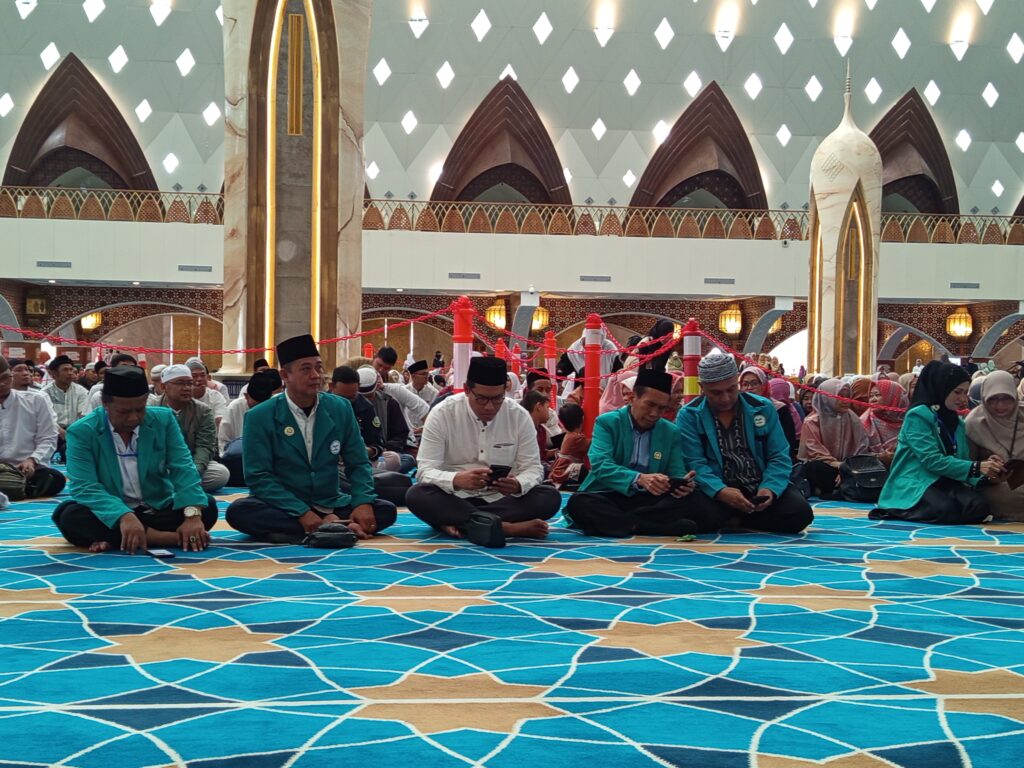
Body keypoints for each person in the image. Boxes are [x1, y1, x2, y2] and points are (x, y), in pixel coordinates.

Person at [226, 335, 396, 543]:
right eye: (306, 369)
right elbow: (258, 477)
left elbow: (358, 462)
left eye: (318, 367)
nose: (316, 375)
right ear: (285, 375)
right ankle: (334, 526)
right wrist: (302, 512)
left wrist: (363, 502)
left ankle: (304, 530)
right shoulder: (259, 416)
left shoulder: (339, 408)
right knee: (239, 512)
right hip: (283, 504)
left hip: (330, 501)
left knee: (386, 510)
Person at [51, 366, 217, 552]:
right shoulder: (82, 431)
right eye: (124, 412)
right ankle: (164, 538)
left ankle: (120, 539)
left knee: (207, 506)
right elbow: (85, 486)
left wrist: (192, 516)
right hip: (112, 509)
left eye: (140, 410)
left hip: (156, 507)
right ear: (105, 404)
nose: (133, 418)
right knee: (69, 516)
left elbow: (183, 467)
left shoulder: (163, 420)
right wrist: (124, 515)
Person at [406, 356, 561, 547]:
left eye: (497, 399)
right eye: (481, 399)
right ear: (467, 389)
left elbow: (533, 468)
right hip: (454, 497)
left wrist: (518, 484)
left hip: (501, 500)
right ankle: (504, 527)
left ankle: (463, 522)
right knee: (416, 495)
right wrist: (456, 480)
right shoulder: (442, 413)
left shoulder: (518, 415)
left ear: (505, 391)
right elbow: (425, 471)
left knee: (549, 497)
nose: (489, 406)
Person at [565, 369, 716, 537]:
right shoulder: (607, 423)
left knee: (697, 500)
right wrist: (639, 479)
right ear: (632, 398)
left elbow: (676, 471)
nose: (655, 414)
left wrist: (682, 484)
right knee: (579, 503)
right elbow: (600, 465)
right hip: (608, 494)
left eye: (661, 408)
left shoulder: (670, 431)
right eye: (650, 405)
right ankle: (650, 526)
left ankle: (628, 524)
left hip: (649, 498)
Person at [676, 354, 813, 534]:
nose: (725, 398)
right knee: (693, 511)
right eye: (716, 393)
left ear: (737, 381)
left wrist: (770, 488)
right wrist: (720, 491)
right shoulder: (689, 415)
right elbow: (695, 463)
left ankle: (734, 519)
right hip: (717, 493)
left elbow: (779, 455)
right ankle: (743, 518)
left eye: (731, 389)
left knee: (800, 513)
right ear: (702, 387)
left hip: (759, 485)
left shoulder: (763, 407)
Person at [872, 361, 997, 525]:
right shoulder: (918, 416)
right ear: (942, 388)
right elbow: (931, 460)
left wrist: (988, 474)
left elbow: (962, 459)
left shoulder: (957, 422)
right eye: (957, 392)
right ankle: (897, 508)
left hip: (945, 480)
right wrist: (976, 467)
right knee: (944, 509)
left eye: (965, 393)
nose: (962, 398)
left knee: (978, 507)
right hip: (916, 480)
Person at [330, 366, 412, 506]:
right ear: (331, 387)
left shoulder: (365, 406)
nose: (346, 404)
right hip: (329, 467)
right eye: (342, 398)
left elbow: (378, 443)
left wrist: (367, 451)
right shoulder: (320, 407)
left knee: (398, 466)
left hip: (359, 463)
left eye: (351, 398)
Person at [153, 365, 230, 492]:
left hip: (190, 463)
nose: (187, 388)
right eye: (180, 383)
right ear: (164, 386)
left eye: (189, 383)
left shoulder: (203, 411)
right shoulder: (152, 409)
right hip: (160, 464)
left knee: (220, 474)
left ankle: (169, 486)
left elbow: (205, 447)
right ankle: (182, 486)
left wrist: (194, 471)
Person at [0, 355, 65, 498]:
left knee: (55, 478)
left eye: (5, 378)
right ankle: (16, 488)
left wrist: (33, 460)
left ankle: (13, 487)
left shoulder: (36, 400)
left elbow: (48, 437)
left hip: (28, 469)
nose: (2, 383)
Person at [797, 378, 871, 498]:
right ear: (827, 397)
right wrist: (841, 467)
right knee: (815, 467)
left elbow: (861, 447)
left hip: (850, 467)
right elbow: (816, 452)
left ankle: (843, 489)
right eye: (840, 396)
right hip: (828, 466)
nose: (845, 400)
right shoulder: (812, 421)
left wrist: (848, 468)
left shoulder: (853, 419)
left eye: (847, 396)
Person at [966, 371, 1024, 521]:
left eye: (1007, 399)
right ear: (984, 397)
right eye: (993, 399)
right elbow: (967, 466)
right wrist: (987, 467)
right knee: (1003, 497)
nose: (1000, 405)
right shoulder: (974, 423)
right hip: (995, 486)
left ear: (1015, 396)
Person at [219, 369, 283, 487]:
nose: (260, 409)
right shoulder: (234, 408)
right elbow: (223, 444)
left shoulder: (277, 407)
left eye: (263, 405)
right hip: (240, 462)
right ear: (246, 396)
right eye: (256, 404)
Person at [358, 367, 415, 472]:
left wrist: (384, 448)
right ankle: (376, 473)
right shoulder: (349, 403)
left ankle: (373, 472)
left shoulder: (389, 403)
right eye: (362, 396)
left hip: (381, 455)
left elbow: (401, 434)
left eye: (369, 396)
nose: (366, 401)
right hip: (356, 455)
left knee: (406, 459)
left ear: (376, 387)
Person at [740, 366, 799, 458]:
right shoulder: (738, 409)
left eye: (754, 383)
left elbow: (787, 441)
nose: (749, 388)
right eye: (745, 384)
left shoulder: (779, 408)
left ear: (763, 385)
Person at [41, 354, 89, 460]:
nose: (70, 373)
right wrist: (62, 433)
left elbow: (83, 416)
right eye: (65, 370)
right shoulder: (44, 393)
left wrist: (72, 434)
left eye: (71, 369)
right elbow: (46, 419)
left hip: (75, 432)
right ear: (54, 374)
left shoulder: (81, 391)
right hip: (52, 433)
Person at [861, 379, 909, 466]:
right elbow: (858, 455)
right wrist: (880, 457)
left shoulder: (910, 419)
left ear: (893, 397)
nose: (873, 400)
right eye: (870, 396)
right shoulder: (865, 422)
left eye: (877, 395)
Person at [549, 402, 590, 489]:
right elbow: (593, 444)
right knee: (584, 470)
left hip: (560, 469)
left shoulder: (569, 435)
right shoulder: (577, 438)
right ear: (582, 419)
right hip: (564, 471)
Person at [186, 359, 229, 425]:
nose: (199, 379)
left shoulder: (215, 396)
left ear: (208, 378)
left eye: (202, 375)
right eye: (194, 376)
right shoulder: (183, 396)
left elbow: (220, 422)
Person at [520, 390, 554, 470]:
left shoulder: (541, 430)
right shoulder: (522, 429)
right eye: (547, 407)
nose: (549, 412)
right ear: (538, 406)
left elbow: (541, 454)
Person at [403, 360, 438, 436]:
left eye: (427, 373)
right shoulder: (404, 391)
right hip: (407, 434)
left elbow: (436, 416)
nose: (427, 376)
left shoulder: (433, 393)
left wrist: (424, 428)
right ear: (413, 376)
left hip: (426, 433)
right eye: (424, 374)